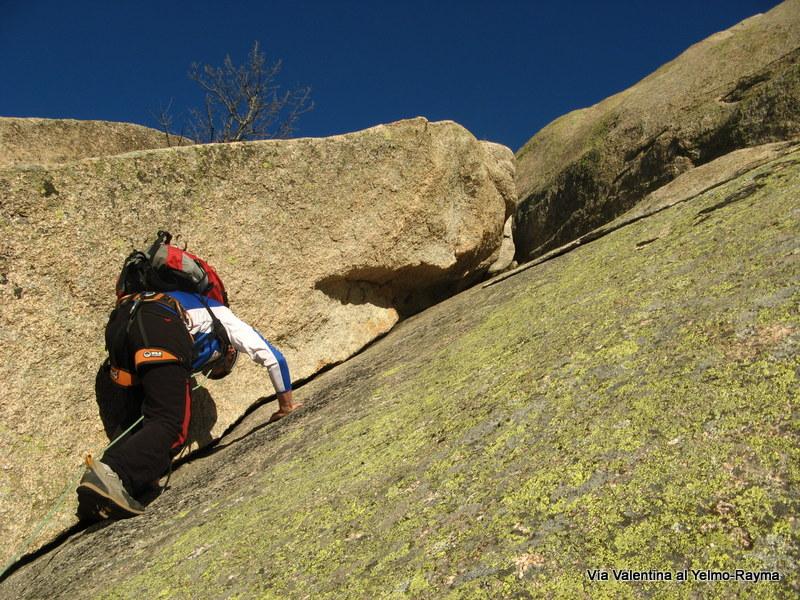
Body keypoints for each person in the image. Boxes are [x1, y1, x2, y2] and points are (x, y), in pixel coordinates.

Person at [76, 289, 301, 521]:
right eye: (218, 366)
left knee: (140, 415)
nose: (209, 369)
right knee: (170, 422)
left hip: (120, 325)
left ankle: (116, 485)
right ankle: (111, 472)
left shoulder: (187, 304)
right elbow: (272, 357)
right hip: (159, 322)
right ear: (230, 352)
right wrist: (286, 405)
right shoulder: (224, 317)